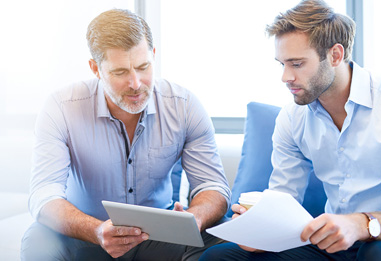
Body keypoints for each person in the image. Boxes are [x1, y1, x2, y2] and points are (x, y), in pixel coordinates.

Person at [200, 0, 381, 260]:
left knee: (379, 254)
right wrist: (260, 230)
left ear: (335, 55)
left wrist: (361, 224)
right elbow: (283, 200)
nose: (285, 77)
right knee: (218, 257)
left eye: (297, 64)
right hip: (331, 245)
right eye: (282, 64)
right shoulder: (292, 119)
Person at [20, 9, 231, 261]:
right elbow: (44, 194)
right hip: (85, 235)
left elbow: (213, 187)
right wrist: (96, 230)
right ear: (95, 68)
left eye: (143, 67)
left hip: (160, 238)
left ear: (153, 56)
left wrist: (194, 218)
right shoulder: (61, 107)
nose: (135, 83)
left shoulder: (184, 105)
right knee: (38, 242)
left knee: (223, 238)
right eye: (120, 72)